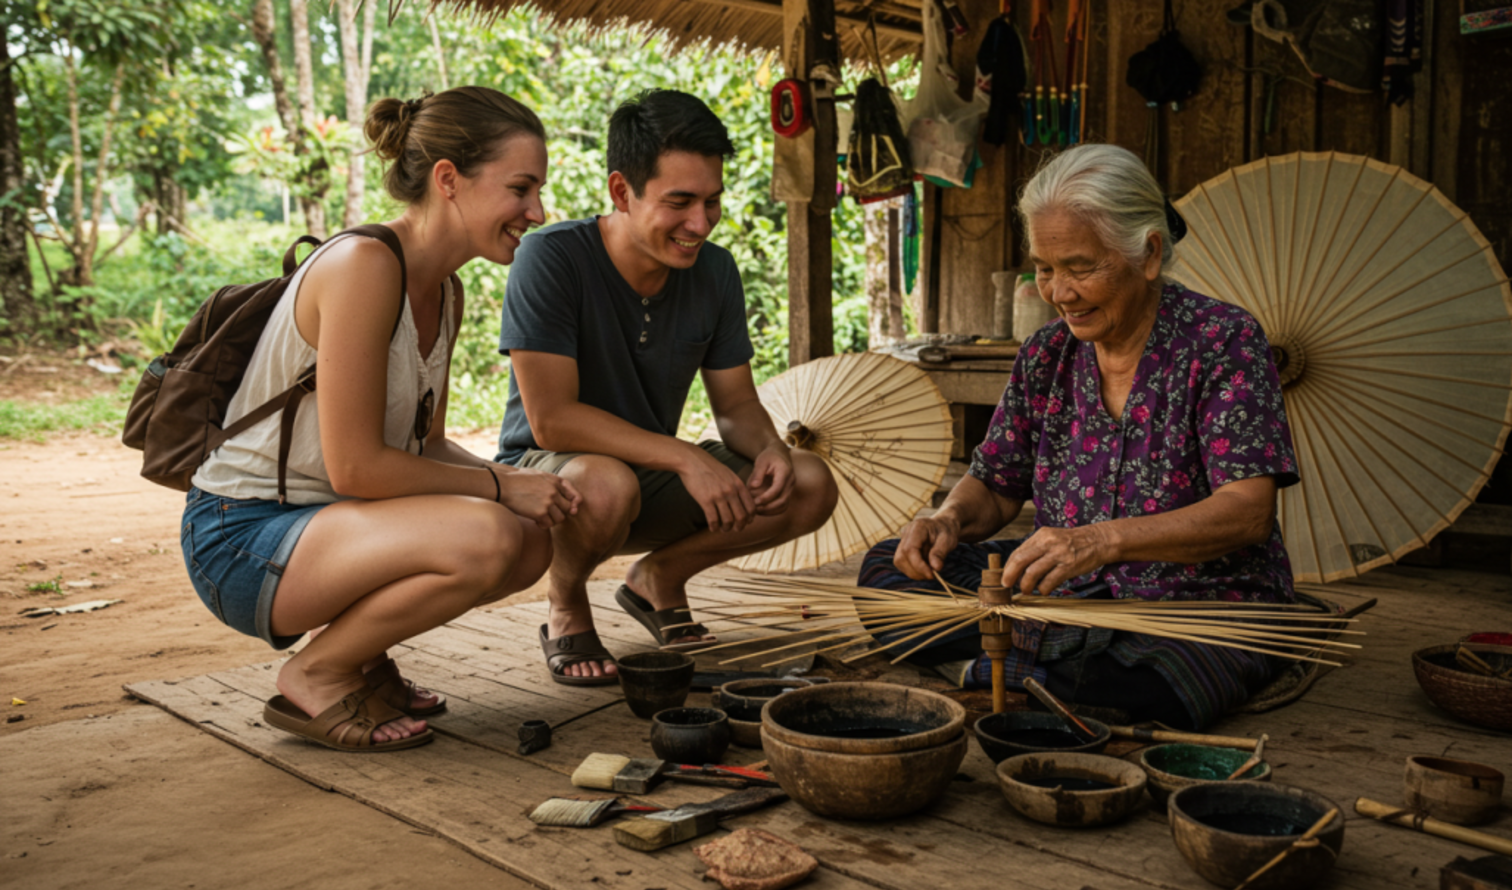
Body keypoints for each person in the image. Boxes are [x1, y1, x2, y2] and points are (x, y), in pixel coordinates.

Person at [179, 87, 581, 751]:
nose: (535, 211)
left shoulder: (445, 290)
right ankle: (317, 671)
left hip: (321, 530)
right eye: (520, 187)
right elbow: (358, 466)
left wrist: (521, 491)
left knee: (527, 535)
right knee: (486, 532)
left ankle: (362, 660)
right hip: (241, 537)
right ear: (449, 179)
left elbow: (424, 445)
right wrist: (503, 484)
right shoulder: (364, 266)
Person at [862, 143, 1301, 731]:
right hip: (1061, 590)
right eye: (1044, 268)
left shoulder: (1222, 341)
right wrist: (946, 521)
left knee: (1163, 683)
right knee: (886, 574)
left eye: (1079, 267)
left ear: (1147, 254)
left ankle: (994, 662)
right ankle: (1041, 664)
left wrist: (1103, 541)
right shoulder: (1048, 354)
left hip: (1195, 600)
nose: (1058, 293)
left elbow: (1246, 513)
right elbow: (995, 485)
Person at [495, 89, 839, 686]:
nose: (699, 223)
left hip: (647, 475)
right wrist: (685, 457)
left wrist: (772, 451)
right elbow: (551, 419)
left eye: (712, 201)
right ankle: (567, 601)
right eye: (679, 202)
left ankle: (659, 578)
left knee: (808, 483)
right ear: (621, 191)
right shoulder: (549, 257)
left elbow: (735, 406)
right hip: (552, 480)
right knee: (604, 483)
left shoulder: (716, 272)